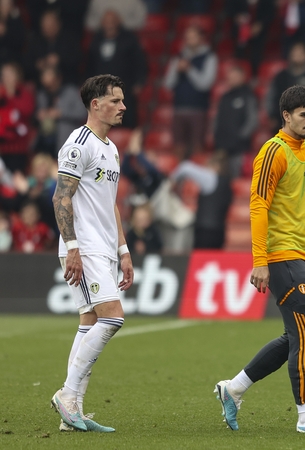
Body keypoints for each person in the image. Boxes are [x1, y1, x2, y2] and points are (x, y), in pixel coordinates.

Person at [214, 85, 305, 434]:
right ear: (286, 116)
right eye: (303, 115)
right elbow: (258, 204)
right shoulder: (272, 151)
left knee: (297, 335)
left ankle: (233, 389)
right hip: (280, 254)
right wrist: (259, 260)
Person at [50, 74, 134, 432]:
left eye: (122, 100)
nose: (123, 106)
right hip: (83, 247)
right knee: (112, 318)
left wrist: (124, 250)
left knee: (88, 323)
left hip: (104, 247)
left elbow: (110, 204)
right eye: (115, 100)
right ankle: (67, 395)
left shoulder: (111, 148)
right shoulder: (78, 144)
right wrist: (72, 248)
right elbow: (60, 197)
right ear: (95, 104)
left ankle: (74, 414)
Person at [85, 9, 148, 129]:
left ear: (118, 22)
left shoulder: (129, 39)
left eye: (112, 21)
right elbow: (89, 66)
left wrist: (139, 81)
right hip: (101, 91)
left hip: (124, 89)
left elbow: (140, 62)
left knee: (126, 121)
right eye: (107, 22)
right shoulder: (96, 40)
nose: (110, 25)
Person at [164, 24, 218, 159]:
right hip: (179, 108)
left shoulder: (209, 57)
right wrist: (177, 71)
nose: (189, 40)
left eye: (193, 37)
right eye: (187, 37)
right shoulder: (178, 57)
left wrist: (189, 69)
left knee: (197, 148)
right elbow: (168, 84)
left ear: (201, 38)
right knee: (178, 148)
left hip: (198, 110)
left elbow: (205, 84)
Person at [212, 63, 258, 178]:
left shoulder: (248, 96)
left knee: (236, 179)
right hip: (221, 147)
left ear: (242, 77)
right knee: (220, 179)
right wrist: (215, 134)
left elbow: (253, 120)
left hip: (239, 149)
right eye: (230, 77)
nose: (231, 79)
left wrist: (241, 136)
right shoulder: (225, 97)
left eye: (235, 76)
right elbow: (217, 118)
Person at [35, 66, 86, 157]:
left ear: (58, 78)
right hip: (43, 144)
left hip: (65, 143)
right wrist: (38, 115)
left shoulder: (70, 92)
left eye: (51, 77)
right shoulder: (41, 95)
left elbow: (83, 112)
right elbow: (30, 116)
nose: (49, 86)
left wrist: (61, 113)